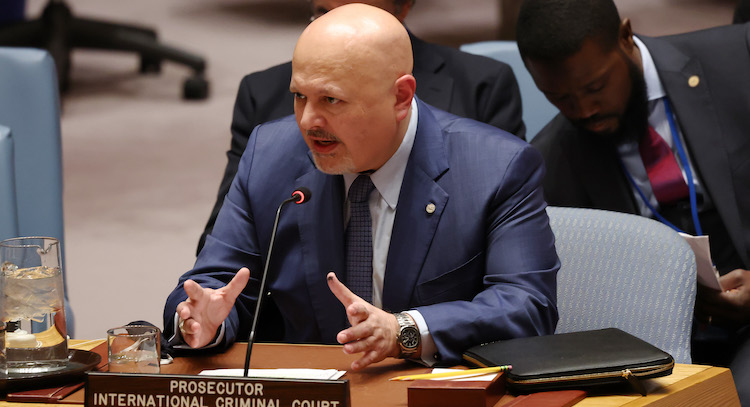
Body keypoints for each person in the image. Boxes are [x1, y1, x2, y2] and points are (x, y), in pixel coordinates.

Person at [164, 3, 558, 371]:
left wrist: (404, 330)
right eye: (299, 96)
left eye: (331, 100)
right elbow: (214, 283)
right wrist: (200, 320)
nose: (307, 121)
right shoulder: (269, 154)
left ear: (401, 97)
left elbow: (526, 304)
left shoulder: (496, 167)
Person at [516, 0, 750, 402]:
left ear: (625, 37)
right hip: (656, 342)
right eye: (559, 98)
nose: (584, 110)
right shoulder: (552, 159)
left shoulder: (738, 60)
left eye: (595, 87)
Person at [196, 0, 527, 254]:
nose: (307, 120)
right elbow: (221, 258)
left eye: (332, 99)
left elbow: (514, 280)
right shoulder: (264, 100)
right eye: (322, 15)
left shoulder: (481, 92)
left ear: (402, 7)